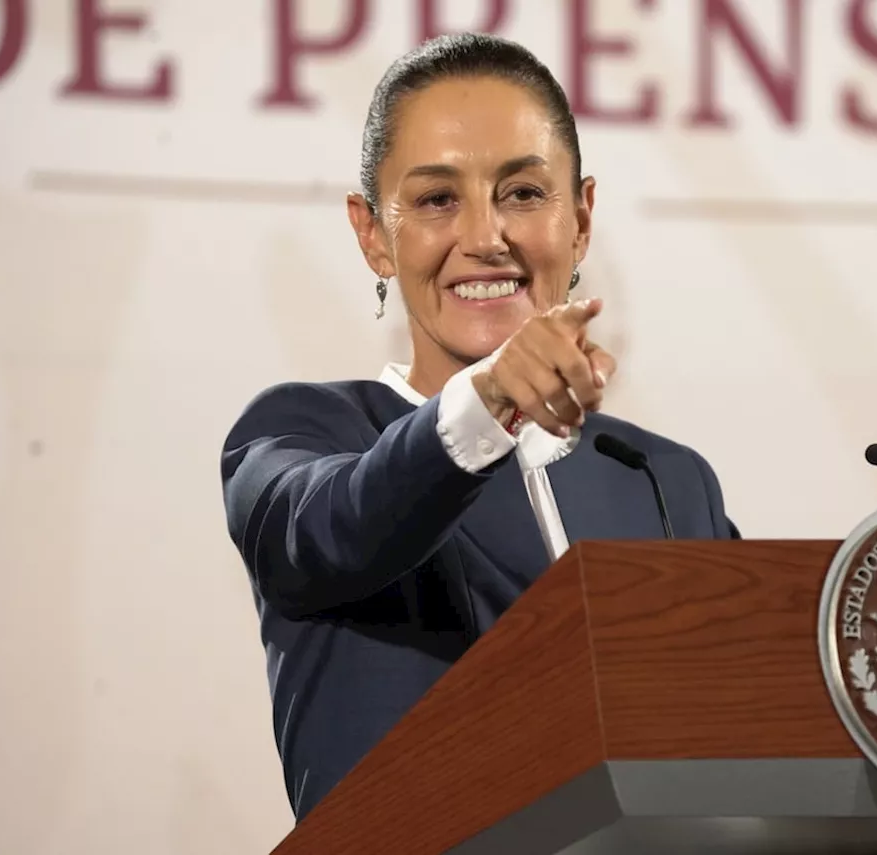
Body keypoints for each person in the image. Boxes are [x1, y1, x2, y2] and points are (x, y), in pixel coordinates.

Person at [219, 32, 740, 823]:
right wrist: (488, 398)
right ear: (371, 234)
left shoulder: (665, 480)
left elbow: (747, 730)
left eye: (524, 193)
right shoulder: (304, 431)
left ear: (582, 218)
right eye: (435, 200)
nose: (485, 235)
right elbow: (332, 528)